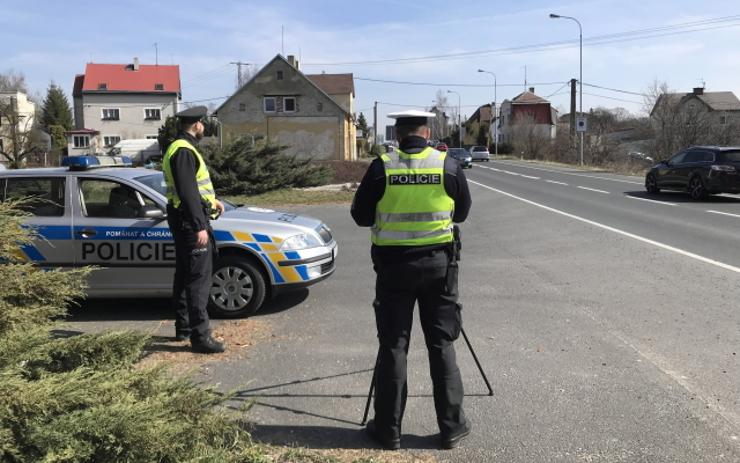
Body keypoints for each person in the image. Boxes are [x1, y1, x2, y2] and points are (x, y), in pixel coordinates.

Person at [351, 110, 473, 450]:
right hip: (439, 268)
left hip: (393, 270)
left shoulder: (382, 167)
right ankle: (451, 427)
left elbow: (360, 217)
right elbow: (461, 212)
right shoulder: (447, 165)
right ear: (427, 130)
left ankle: (388, 430)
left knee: (394, 345)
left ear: (398, 132)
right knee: (441, 344)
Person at [162, 106, 225, 354]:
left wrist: (212, 201)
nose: (204, 128)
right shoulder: (184, 151)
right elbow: (188, 193)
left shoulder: (177, 147)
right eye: (203, 124)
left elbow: (191, 190)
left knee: (185, 274)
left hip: (181, 219)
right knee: (198, 280)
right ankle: (200, 337)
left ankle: (184, 327)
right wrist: (199, 225)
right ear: (197, 124)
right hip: (189, 223)